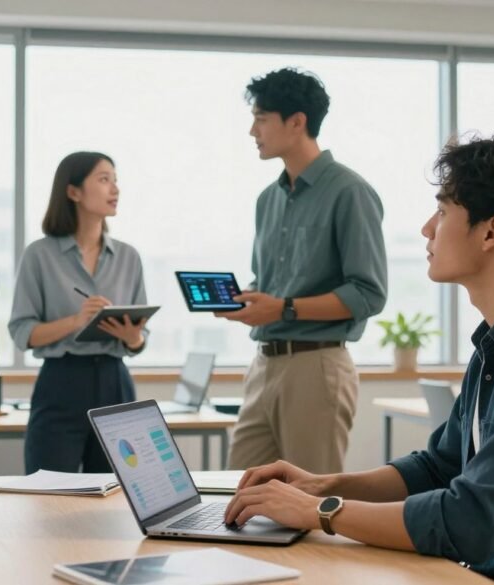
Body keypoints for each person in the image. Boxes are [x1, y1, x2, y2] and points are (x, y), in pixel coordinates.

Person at [224, 134, 494, 583]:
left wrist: (321, 511)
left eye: (442, 211)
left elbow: (473, 521)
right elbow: (438, 467)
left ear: (490, 231)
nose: (427, 228)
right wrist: (324, 485)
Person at [217, 67, 387, 474]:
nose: (252, 131)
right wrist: (253, 301)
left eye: (261, 119)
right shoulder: (267, 200)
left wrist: (282, 308)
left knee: (309, 503)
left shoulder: (350, 191)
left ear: (297, 122)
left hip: (317, 367)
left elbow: (368, 294)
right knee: (240, 491)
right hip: (263, 365)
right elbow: (269, 283)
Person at [8, 152, 148, 474]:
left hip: (116, 384)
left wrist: (134, 338)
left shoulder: (129, 257)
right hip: (61, 384)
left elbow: (140, 340)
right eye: (103, 179)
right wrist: (77, 321)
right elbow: (22, 332)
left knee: (118, 499)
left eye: (115, 179)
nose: (115, 188)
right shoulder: (39, 256)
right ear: (73, 192)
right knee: (49, 498)